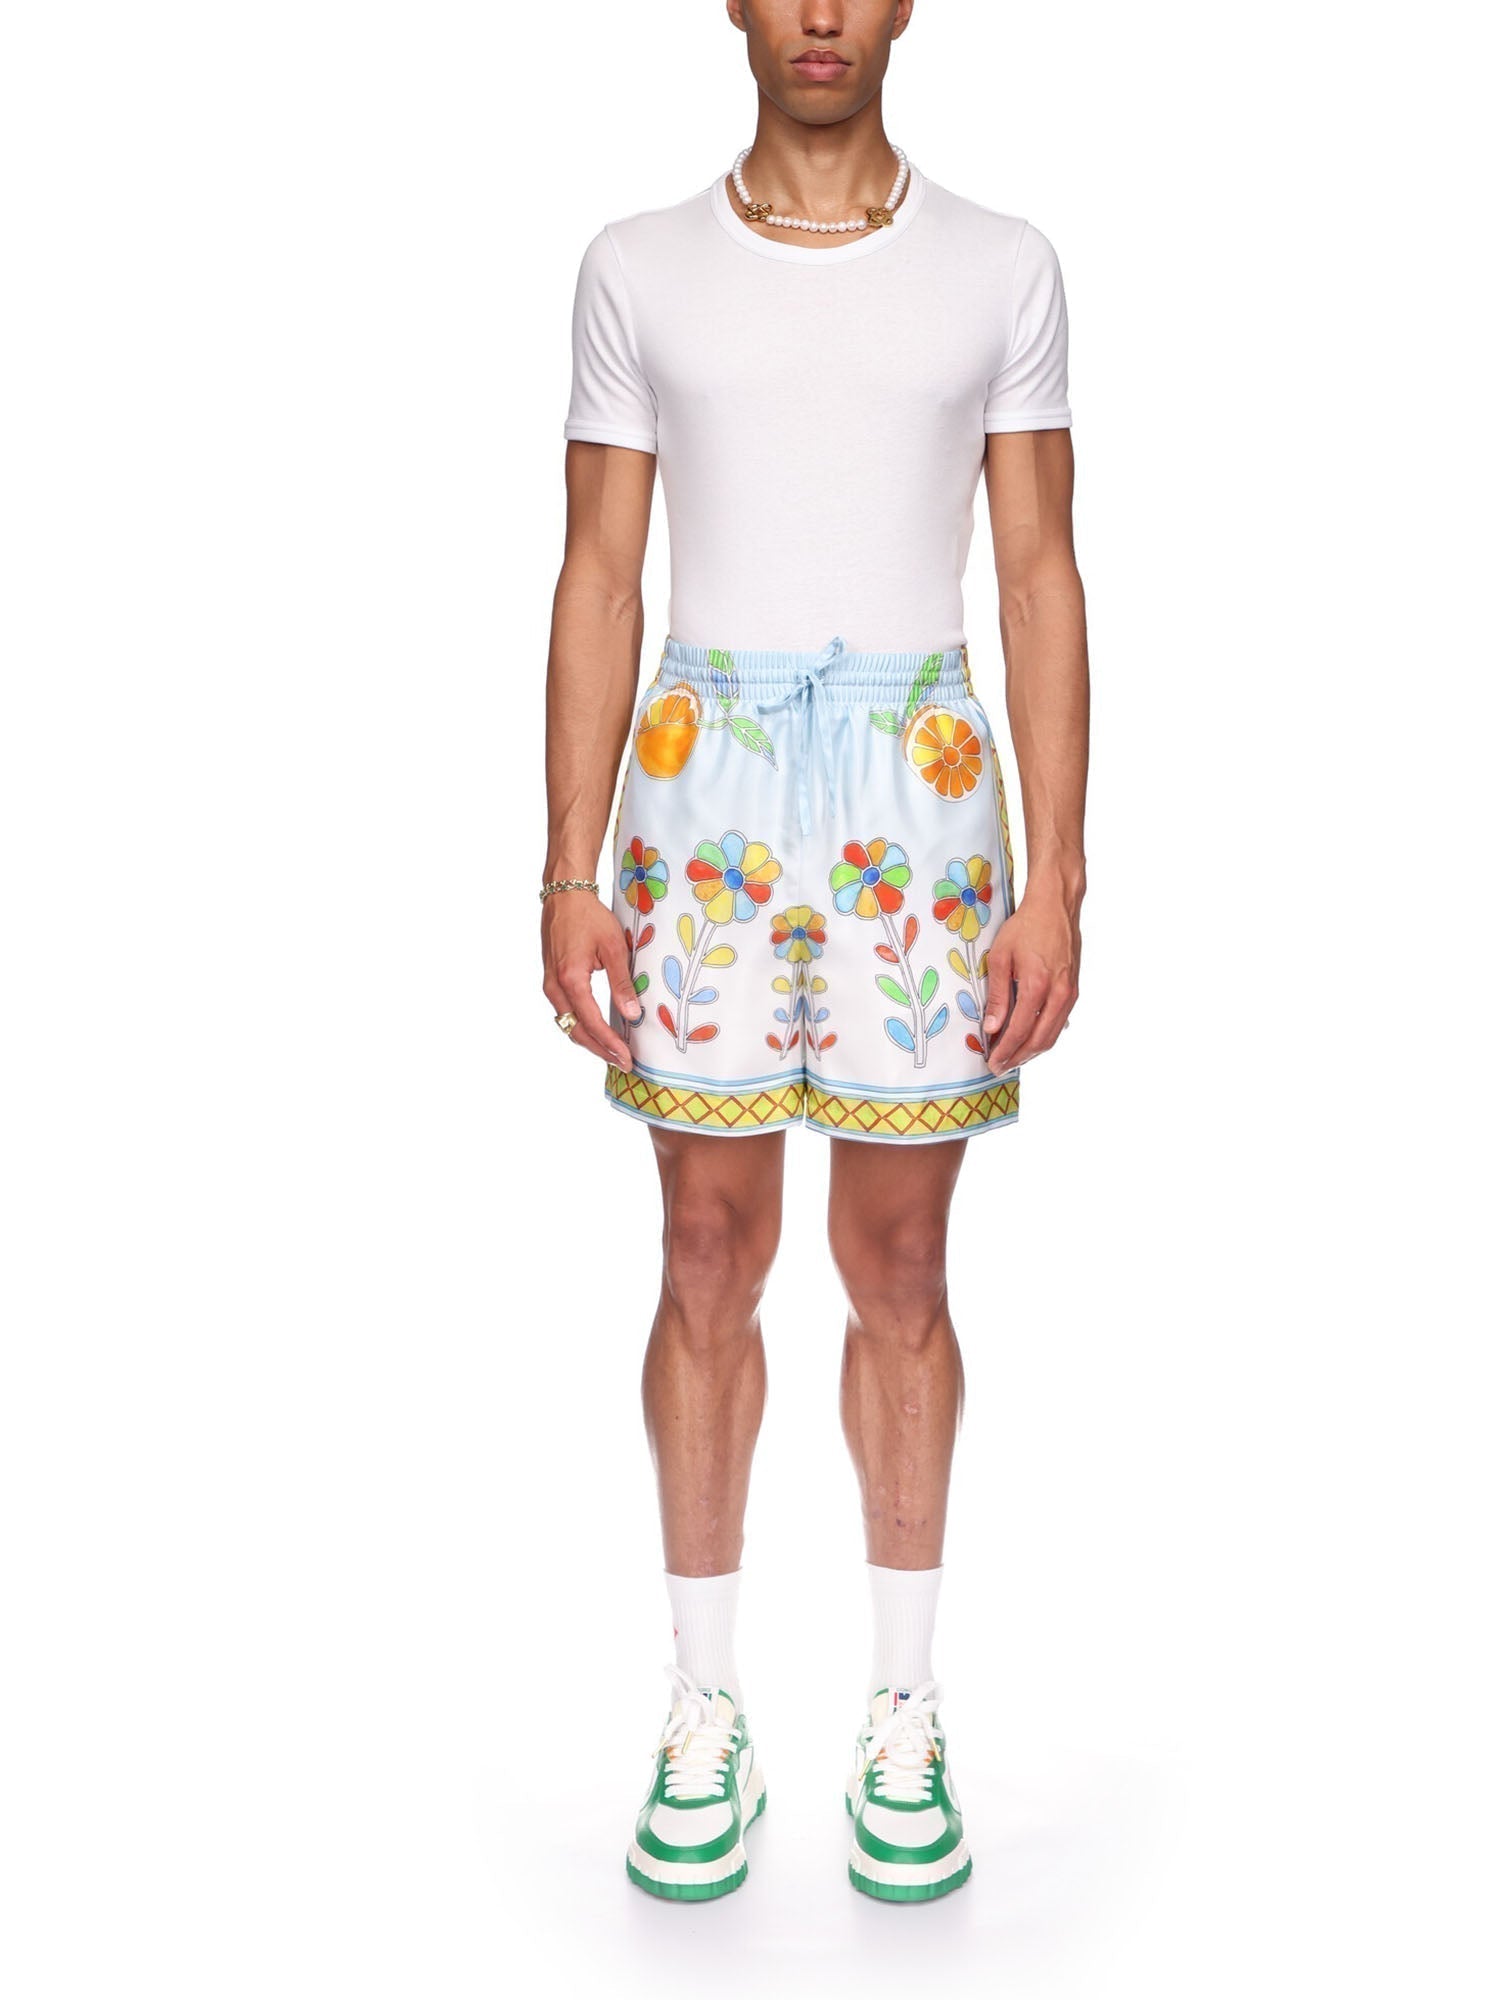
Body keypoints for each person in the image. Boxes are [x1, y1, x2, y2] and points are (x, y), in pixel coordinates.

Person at [541, 0, 1087, 1904]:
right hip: (702, 794)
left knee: (902, 1261)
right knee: (705, 1247)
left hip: (918, 796)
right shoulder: (635, 266)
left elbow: (1039, 575)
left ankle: (905, 1707)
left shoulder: (1004, 266)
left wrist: (1058, 879)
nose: (825, 13)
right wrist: (565, 867)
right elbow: (599, 569)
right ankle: (704, 1707)